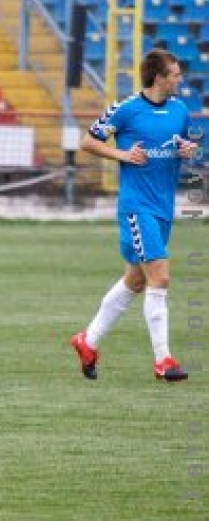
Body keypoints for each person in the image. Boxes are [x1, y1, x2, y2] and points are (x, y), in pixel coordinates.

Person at [70, 49, 199, 383]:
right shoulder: (125, 109)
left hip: (162, 208)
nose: (180, 79)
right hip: (136, 207)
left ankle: (88, 340)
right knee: (161, 278)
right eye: (175, 74)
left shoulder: (180, 110)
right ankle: (163, 361)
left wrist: (189, 149)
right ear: (158, 77)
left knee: (136, 280)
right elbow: (87, 141)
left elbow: (185, 143)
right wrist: (122, 154)